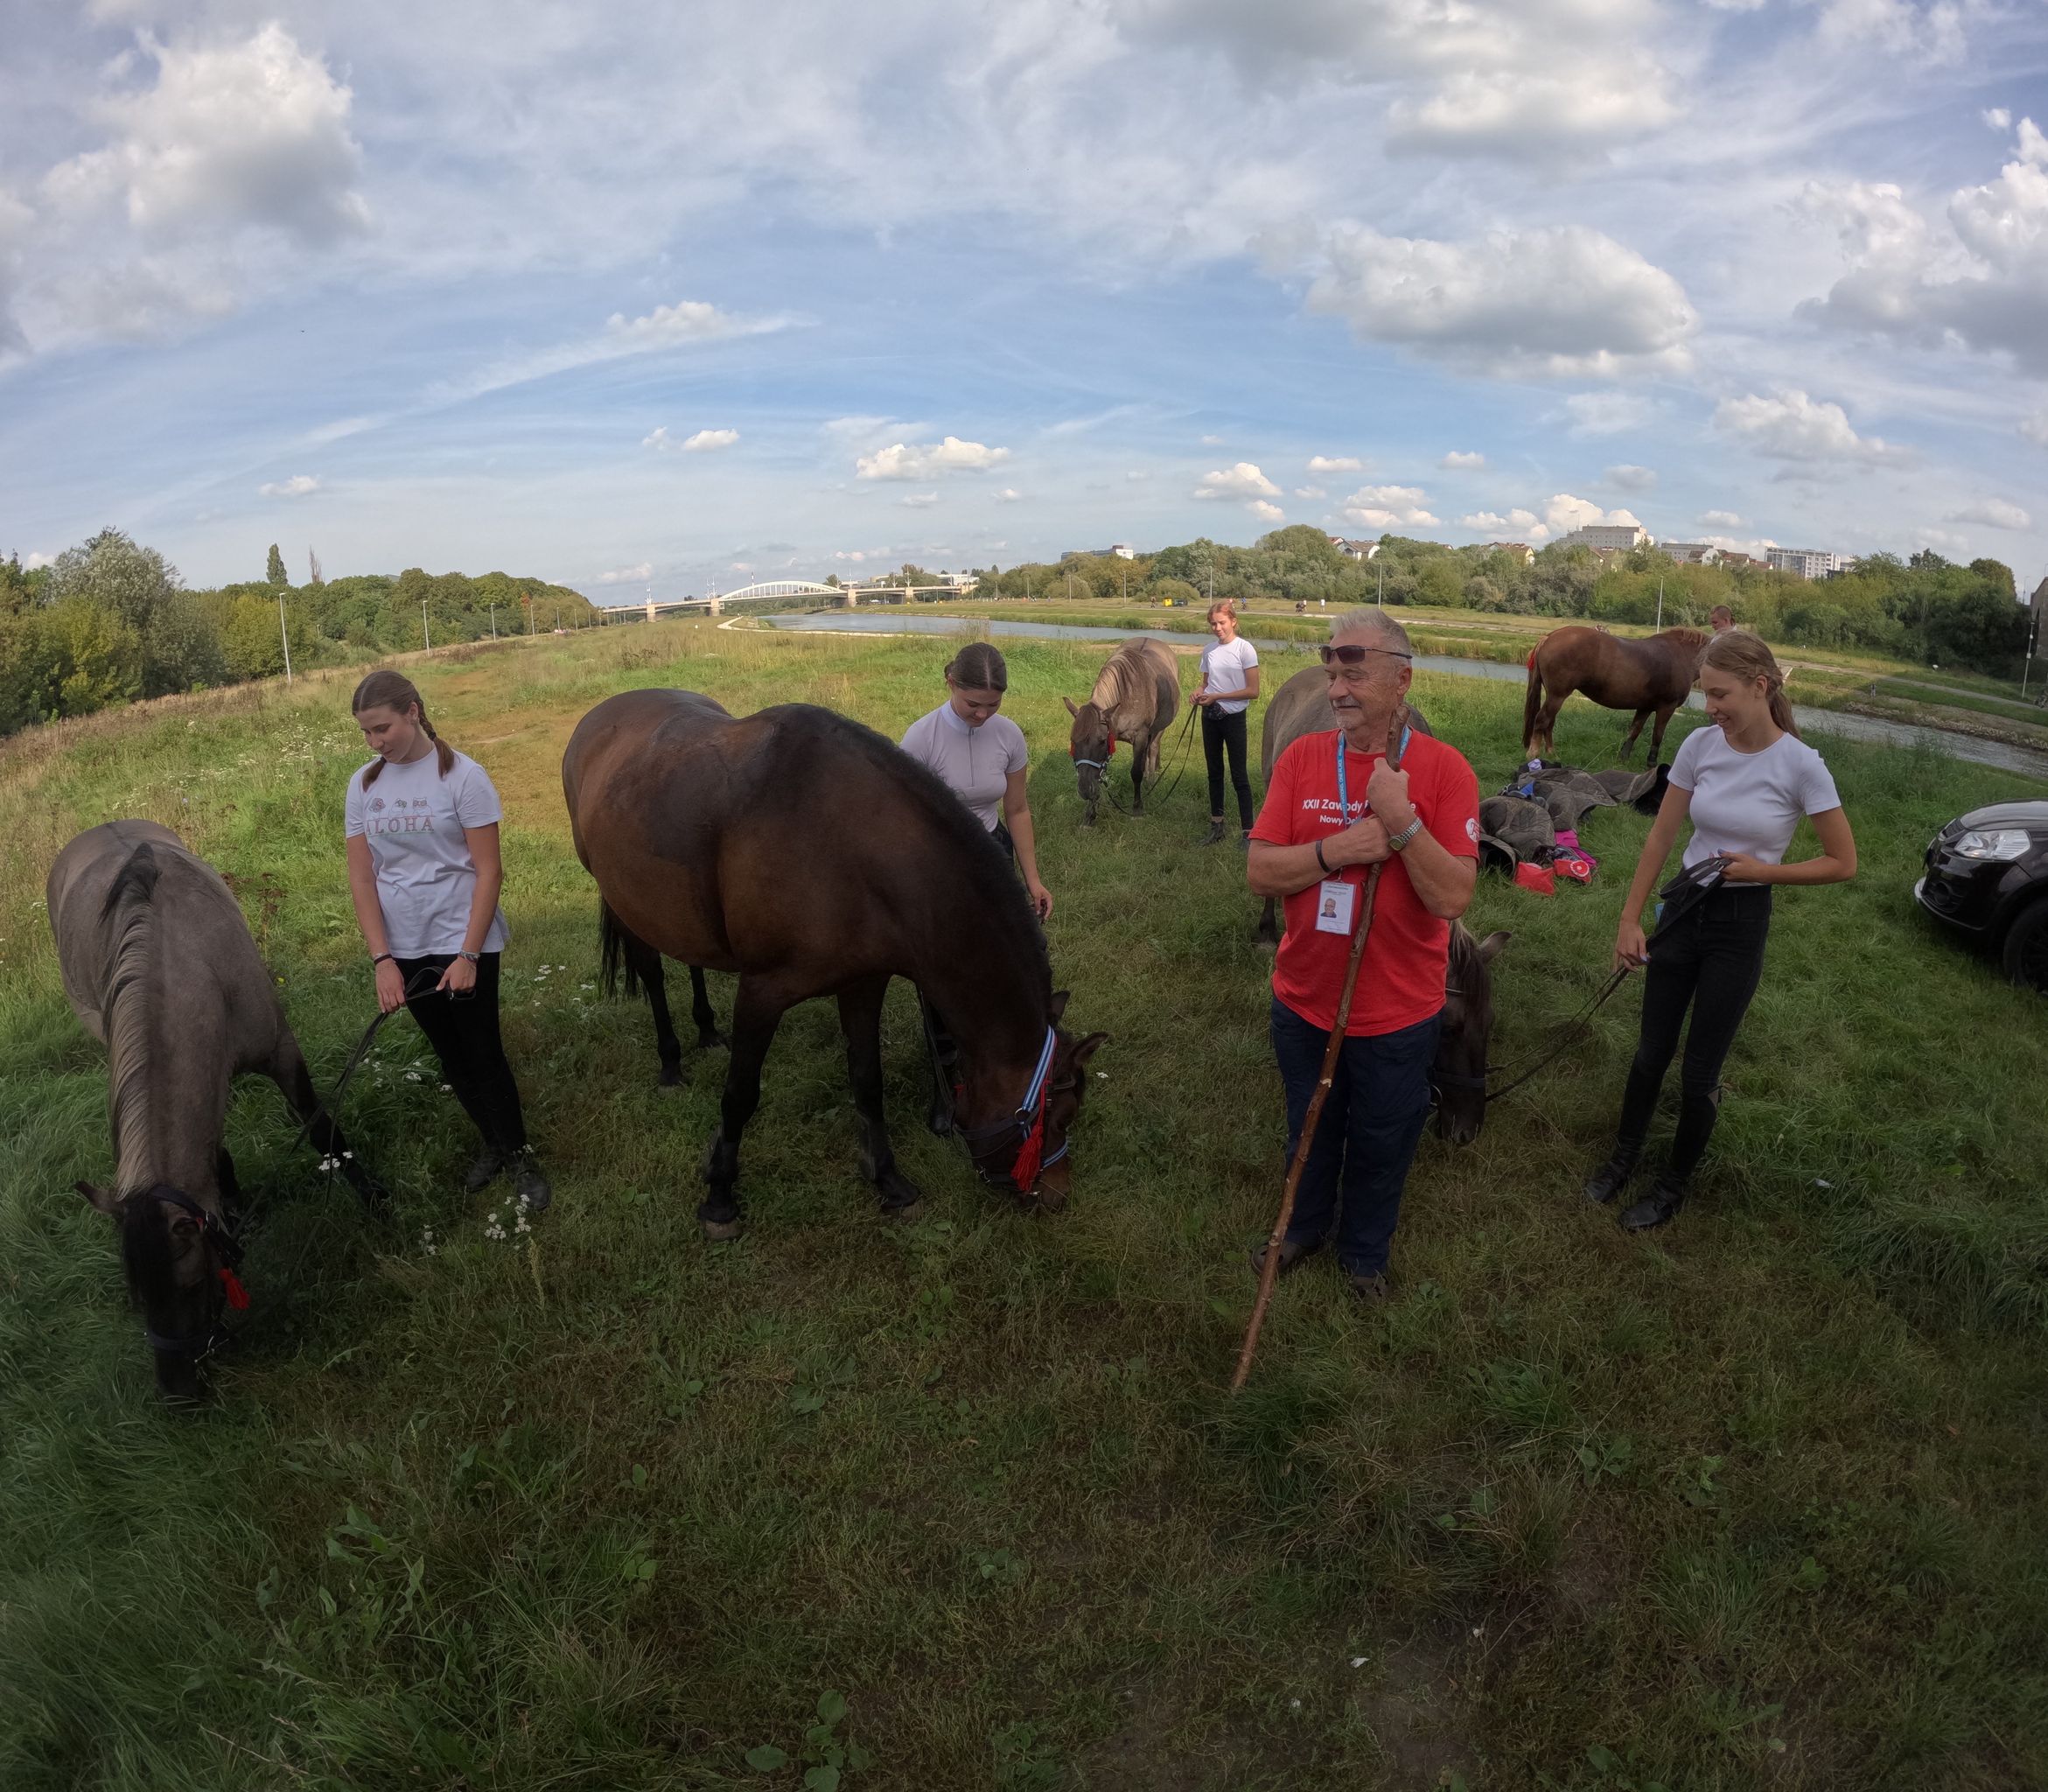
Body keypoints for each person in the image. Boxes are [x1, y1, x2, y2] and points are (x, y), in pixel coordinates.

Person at [1583, 630, 1855, 1230]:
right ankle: (1621, 1159)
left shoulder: (1800, 765)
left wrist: (1762, 871)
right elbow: (1659, 836)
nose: (1710, 708)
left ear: (1760, 687)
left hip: (1739, 921)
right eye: (1705, 695)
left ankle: (1671, 1185)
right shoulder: (1700, 745)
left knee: (1699, 1069)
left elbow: (1842, 861)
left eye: (1720, 694)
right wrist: (1628, 920)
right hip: (1682, 908)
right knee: (1650, 1051)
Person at [1245, 609, 1480, 1302]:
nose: (1338, 688)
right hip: (1303, 998)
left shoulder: (1443, 771)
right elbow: (1260, 872)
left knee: (1383, 1139)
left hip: (1398, 1013)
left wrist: (1402, 824)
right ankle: (1302, 1227)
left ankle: (1363, 1255)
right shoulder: (1301, 759)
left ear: (1401, 679)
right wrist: (1336, 851)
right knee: (1308, 1124)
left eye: (1355, 673)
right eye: (1333, 673)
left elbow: (1452, 897)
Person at [344, 669, 549, 1210]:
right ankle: (493, 1144)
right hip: (403, 945)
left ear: (413, 711)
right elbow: (363, 878)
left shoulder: (463, 778)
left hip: (461, 937)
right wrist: (382, 959)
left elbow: (489, 871)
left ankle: (519, 1157)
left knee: (484, 1053)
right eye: (366, 733)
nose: (375, 742)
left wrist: (468, 954)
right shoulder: (364, 785)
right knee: (450, 1057)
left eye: (382, 728)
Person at [898, 642, 1052, 919]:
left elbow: (1017, 810)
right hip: (940, 854)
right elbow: (903, 820)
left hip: (995, 848)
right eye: (972, 704)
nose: (982, 715)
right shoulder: (920, 738)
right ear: (951, 683)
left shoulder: (1009, 735)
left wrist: (1033, 881)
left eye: (993, 704)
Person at [1195, 598, 1261, 846]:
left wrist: (1218, 695)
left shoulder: (1245, 649)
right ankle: (1217, 826)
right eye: (1213, 623)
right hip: (1210, 714)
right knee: (1214, 772)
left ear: (1233, 621)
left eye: (1221, 622)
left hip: (1233, 718)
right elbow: (1205, 682)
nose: (1217, 628)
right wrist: (1198, 692)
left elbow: (1253, 691)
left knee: (1239, 775)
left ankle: (1248, 832)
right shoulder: (1209, 650)